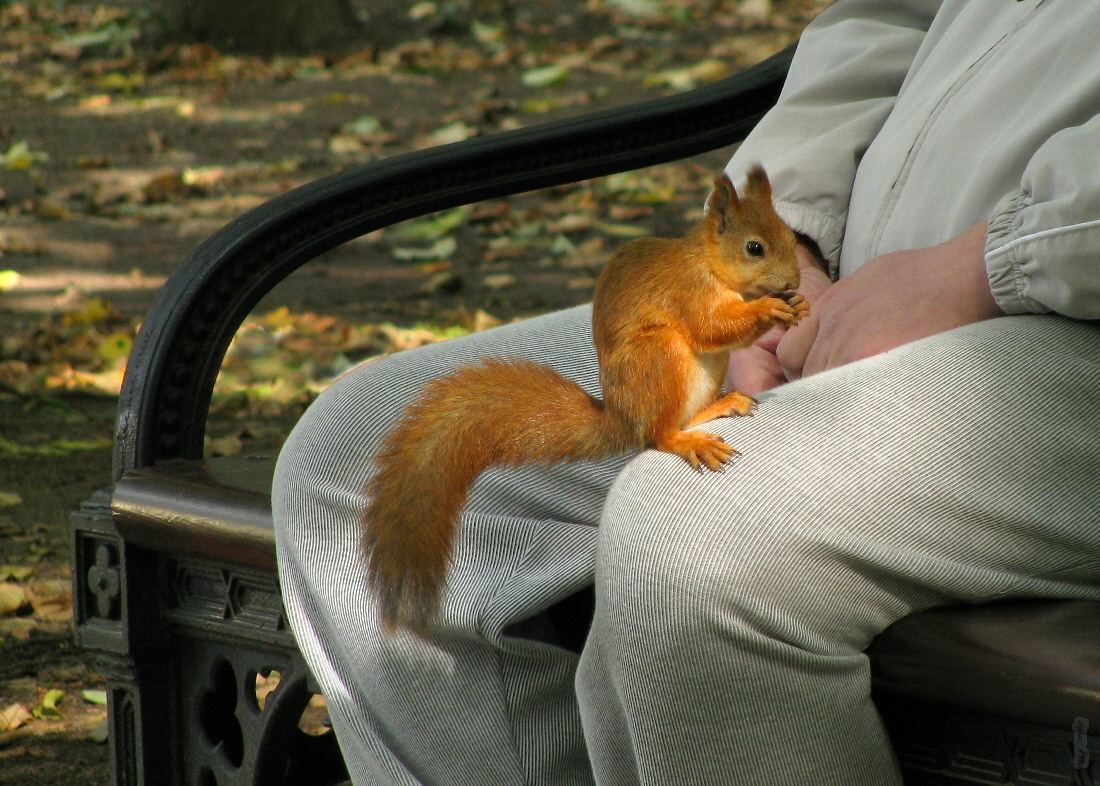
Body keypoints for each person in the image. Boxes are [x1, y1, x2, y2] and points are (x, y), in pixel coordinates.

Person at [272, 1, 1100, 783]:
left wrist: (991, 263)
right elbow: (887, 19)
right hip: (851, 281)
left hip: (1065, 322)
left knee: (692, 539)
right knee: (355, 464)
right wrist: (792, 245)